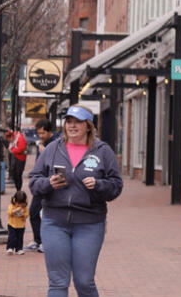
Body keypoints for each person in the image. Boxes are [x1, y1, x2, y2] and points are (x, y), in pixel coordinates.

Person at [29, 104, 123, 297]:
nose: (72, 126)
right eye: (69, 122)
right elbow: (34, 182)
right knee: (57, 282)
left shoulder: (103, 151)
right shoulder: (52, 149)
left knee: (84, 282)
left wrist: (99, 185)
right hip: (54, 222)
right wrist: (48, 183)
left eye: (78, 122)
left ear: (88, 126)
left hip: (89, 224)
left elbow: (116, 185)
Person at [26, 119, 60, 252]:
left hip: (52, 184)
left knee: (48, 214)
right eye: (39, 133)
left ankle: (45, 241)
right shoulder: (43, 143)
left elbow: (58, 161)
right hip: (41, 183)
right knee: (34, 212)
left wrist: (44, 150)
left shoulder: (56, 143)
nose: (40, 136)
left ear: (49, 131)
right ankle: (38, 240)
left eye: (42, 133)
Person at [5, 127, 28, 191]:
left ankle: (18, 188)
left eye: (9, 139)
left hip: (20, 158)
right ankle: (17, 187)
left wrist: (13, 150)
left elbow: (21, 148)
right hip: (16, 157)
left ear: (11, 136)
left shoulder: (20, 138)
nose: (9, 141)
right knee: (14, 172)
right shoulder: (15, 139)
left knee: (18, 174)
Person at [6, 189, 29, 255]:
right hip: (12, 224)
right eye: (18, 203)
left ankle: (19, 248)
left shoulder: (24, 207)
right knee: (12, 237)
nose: (19, 205)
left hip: (21, 225)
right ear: (15, 200)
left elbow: (27, 214)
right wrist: (15, 210)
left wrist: (23, 215)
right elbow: (9, 212)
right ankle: (10, 247)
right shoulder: (12, 206)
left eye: (21, 203)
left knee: (20, 237)